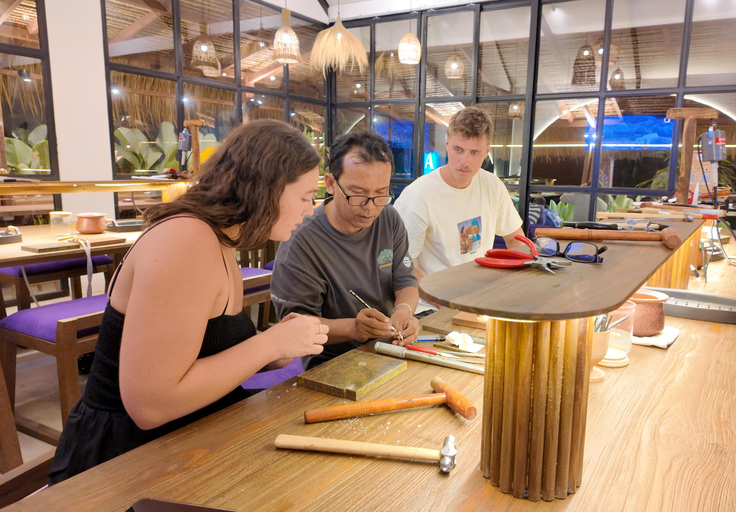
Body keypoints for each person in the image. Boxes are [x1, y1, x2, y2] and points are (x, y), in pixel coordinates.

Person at [49, 120, 329, 484]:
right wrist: (269, 343)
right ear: (268, 187)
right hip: (124, 462)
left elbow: (195, 353)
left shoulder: (221, 239)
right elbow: (151, 404)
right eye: (306, 195)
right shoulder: (186, 240)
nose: (310, 209)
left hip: (192, 436)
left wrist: (269, 353)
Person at [270, 130, 420, 370]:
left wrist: (404, 313)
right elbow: (294, 328)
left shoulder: (389, 218)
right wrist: (354, 328)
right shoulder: (301, 242)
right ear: (331, 184)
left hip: (389, 350)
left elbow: (406, 282)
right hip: (330, 362)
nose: (370, 207)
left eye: (381, 194)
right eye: (358, 194)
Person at [394, 106, 524, 313]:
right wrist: (446, 304)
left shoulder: (492, 185)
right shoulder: (418, 195)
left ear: (487, 150)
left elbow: (517, 241)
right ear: (447, 142)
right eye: (458, 150)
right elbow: (402, 266)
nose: (465, 161)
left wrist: (518, 284)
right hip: (429, 307)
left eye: (475, 152)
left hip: (477, 299)